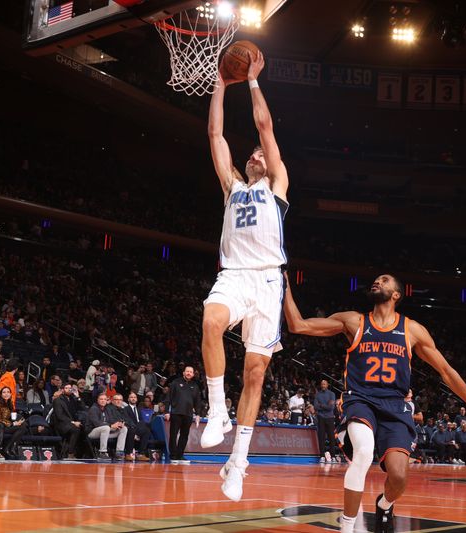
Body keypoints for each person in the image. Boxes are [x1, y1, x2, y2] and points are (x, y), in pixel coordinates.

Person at [284, 273, 466, 533]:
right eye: (375, 280)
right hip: (360, 399)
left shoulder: (412, 330)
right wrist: (284, 285)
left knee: (399, 477)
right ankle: (348, 526)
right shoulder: (354, 321)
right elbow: (299, 325)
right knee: (364, 451)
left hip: (396, 406)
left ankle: (385, 504)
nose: (377, 281)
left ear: (396, 294)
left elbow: (447, 372)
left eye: (384, 280)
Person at [200, 51, 291, 502]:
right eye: (252, 154)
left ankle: (238, 462)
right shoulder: (232, 187)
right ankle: (216, 411)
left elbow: (265, 129)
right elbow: (215, 133)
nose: (256, 154)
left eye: (259, 153)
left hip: (269, 282)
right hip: (235, 274)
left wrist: (253, 81)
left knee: (255, 373)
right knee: (211, 321)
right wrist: (221, 82)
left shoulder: (276, 187)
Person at [167, 365, 203, 464]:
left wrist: (198, 414)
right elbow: (168, 397)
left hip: (188, 414)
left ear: (193, 374)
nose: (189, 373)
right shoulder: (176, 383)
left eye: (191, 372)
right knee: (173, 435)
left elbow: (197, 402)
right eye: (187, 371)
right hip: (176, 413)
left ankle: (180, 455)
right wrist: (166, 411)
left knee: (184, 435)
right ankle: (173, 456)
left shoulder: (195, 386)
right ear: (183, 372)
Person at [86, 393, 128, 462]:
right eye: (101, 399)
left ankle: (119, 452)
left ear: (107, 401)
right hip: (92, 432)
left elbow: (111, 420)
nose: (103, 401)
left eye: (105, 399)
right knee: (106, 428)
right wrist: (110, 425)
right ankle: (102, 452)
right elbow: (97, 423)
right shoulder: (93, 409)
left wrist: (118, 424)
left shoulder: (107, 409)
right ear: (98, 400)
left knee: (123, 429)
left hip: (105, 431)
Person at [0, 386, 28, 459]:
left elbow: (10, 417)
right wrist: (13, 424)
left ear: (11, 394)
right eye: (4, 392)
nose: (6, 394)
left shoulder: (10, 403)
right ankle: (7, 448)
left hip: (7, 426)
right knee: (19, 426)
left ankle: (10, 448)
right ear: (1, 394)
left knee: (23, 426)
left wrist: (17, 421)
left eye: (8, 392)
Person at [51, 383, 82, 459]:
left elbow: (83, 409)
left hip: (73, 422)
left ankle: (83, 453)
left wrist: (78, 397)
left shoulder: (73, 399)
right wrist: (73, 422)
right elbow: (60, 416)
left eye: (70, 388)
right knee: (76, 430)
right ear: (62, 390)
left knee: (85, 428)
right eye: (66, 388)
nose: (69, 389)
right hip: (61, 424)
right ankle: (70, 453)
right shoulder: (57, 400)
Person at [315, 379, 339, 463]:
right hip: (321, 418)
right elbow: (316, 407)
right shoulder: (317, 395)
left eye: (324, 384)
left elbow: (331, 407)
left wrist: (321, 405)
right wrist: (325, 406)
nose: (323, 386)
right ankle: (322, 456)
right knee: (321, 437)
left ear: (327, 385)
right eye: (322, 384)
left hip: (330, 418)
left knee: (331, 438)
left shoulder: (332, 394)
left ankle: (332, 456)